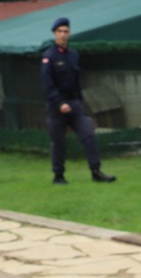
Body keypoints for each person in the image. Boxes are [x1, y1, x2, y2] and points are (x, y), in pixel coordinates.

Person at [41, 17, 116, 185]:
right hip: (56, 107)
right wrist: (60, 103)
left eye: (65, 31)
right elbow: (47, 84)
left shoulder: (73, 55)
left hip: (74, 104)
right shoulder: (48, 57)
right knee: (58, 142)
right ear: (54, 33)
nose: (62, 35)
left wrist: (79, 102)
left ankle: (96, 172)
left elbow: (76, 81)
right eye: (59, 31)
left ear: (69, 33)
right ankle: (58, 176)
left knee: (89, 135)